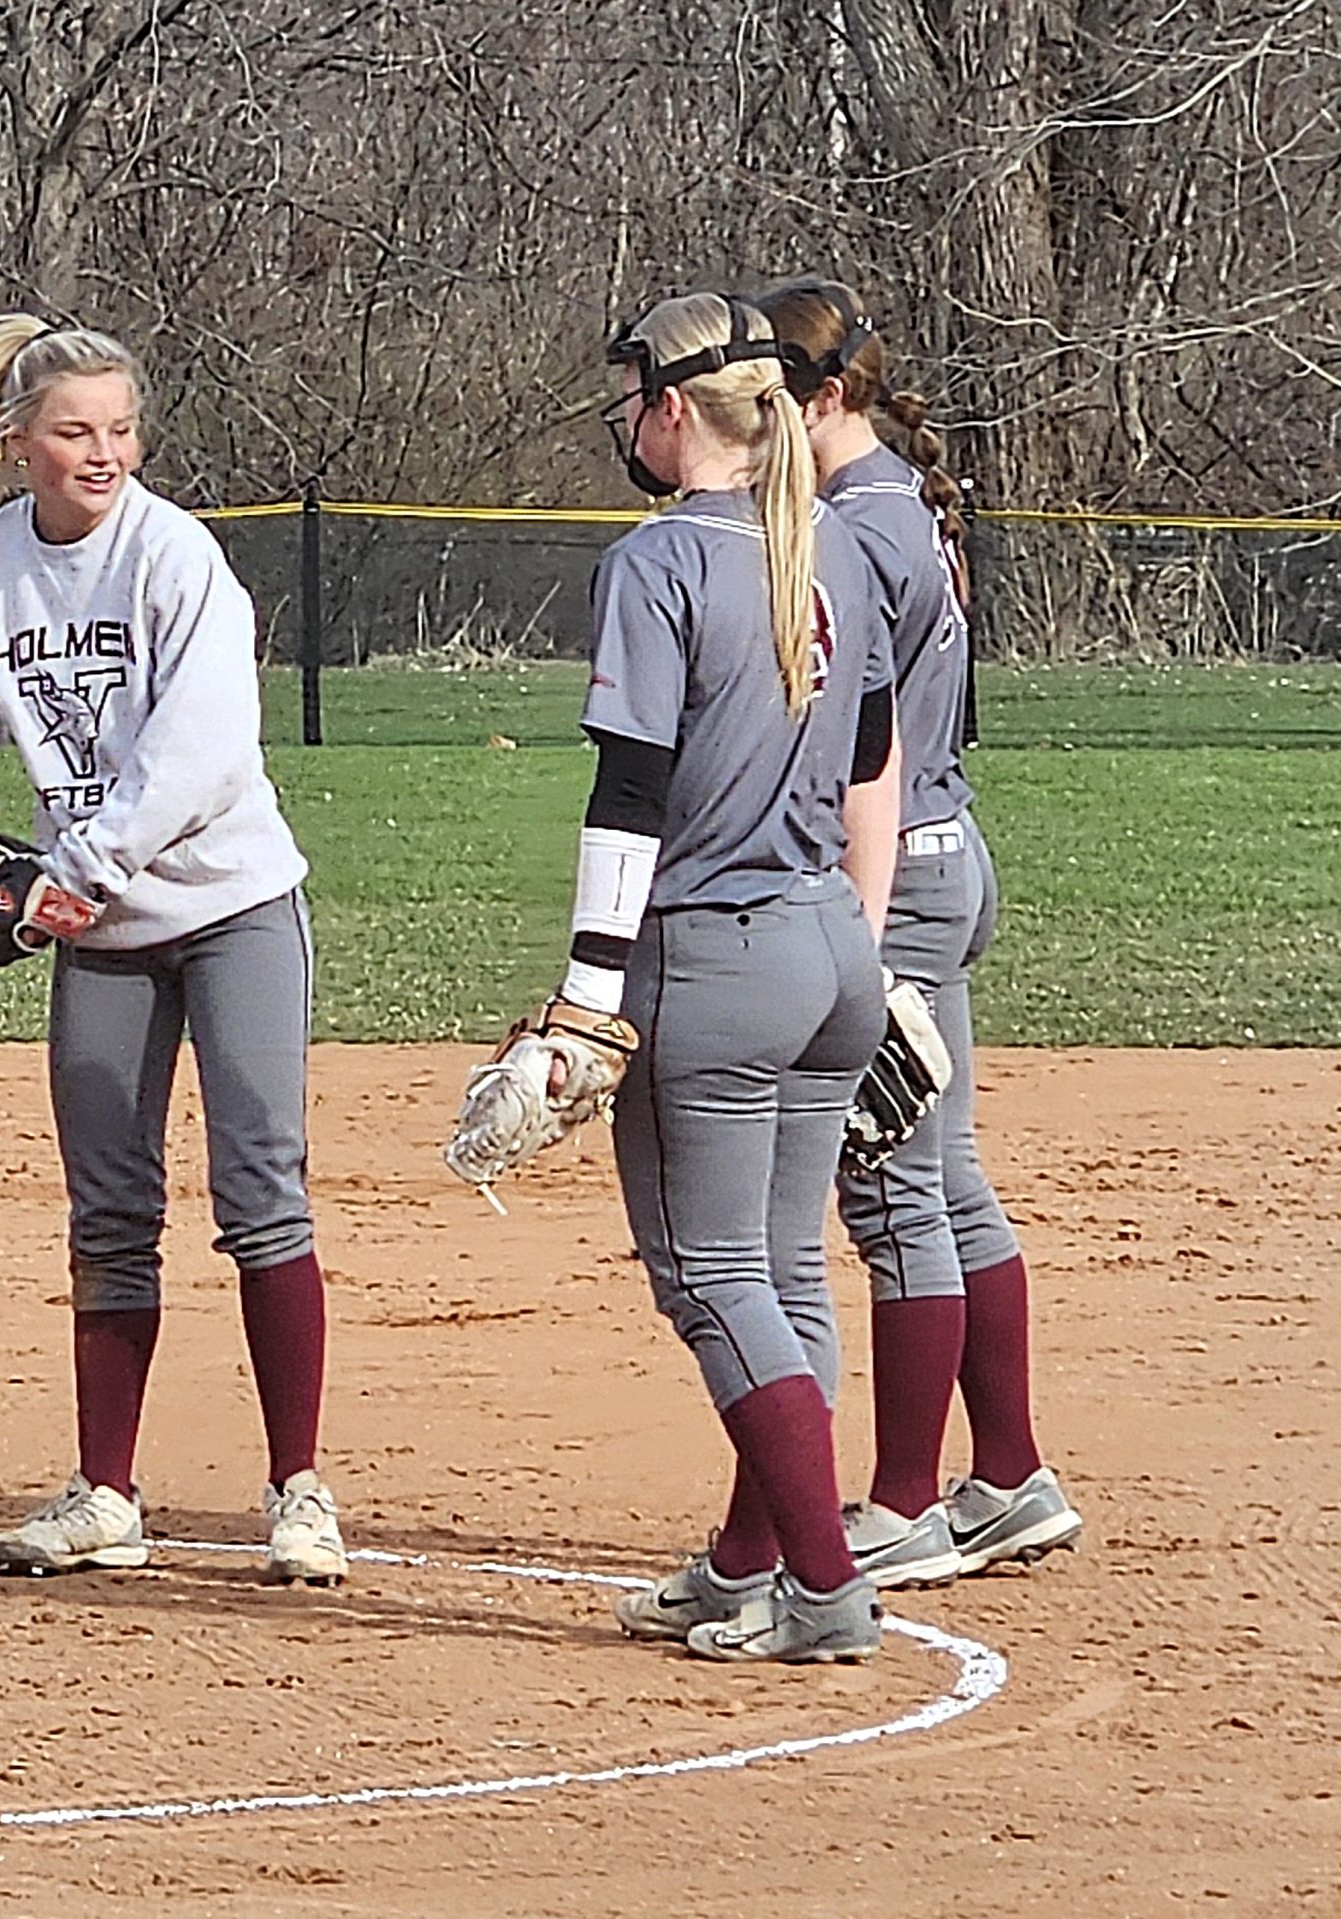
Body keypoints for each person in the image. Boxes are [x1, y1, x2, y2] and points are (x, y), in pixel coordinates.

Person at [0, 316, 346, 1586]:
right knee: (110, 1208)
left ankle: (298, 1490)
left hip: (227, 905)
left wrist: (78, 870)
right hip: (95, 924)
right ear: (20, 449)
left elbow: (204, 750)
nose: (103, 452)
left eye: (119, 430)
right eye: (75, 432)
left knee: (259, 1191)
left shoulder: (177, 557)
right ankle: (107, 1491)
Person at [573, 292, 903, 1662]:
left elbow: (631, 789)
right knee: (781, 1273)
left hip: (714, 951)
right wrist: (872, 957)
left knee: (713, 1281)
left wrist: (590, 990)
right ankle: (744, 1562)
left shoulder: (659, 562)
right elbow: (872, 751)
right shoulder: (830, 540)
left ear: (671, 409)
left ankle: (824, 1589)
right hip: (830, 942)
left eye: (636, 393)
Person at [759, 279, 1082, 1585]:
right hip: (954, 855)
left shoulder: (853, 524)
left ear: (823, 398)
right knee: (946, 1182)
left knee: (892, 1192)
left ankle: (902, 1503)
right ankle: (1006, 1472)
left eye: (768, 394)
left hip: (895, 881)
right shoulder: (900, 496)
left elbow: (850, 750)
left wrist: (855, 925)